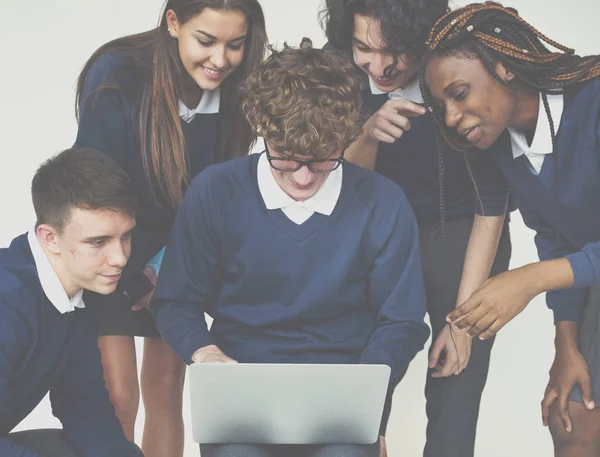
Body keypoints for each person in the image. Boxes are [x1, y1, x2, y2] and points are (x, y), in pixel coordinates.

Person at [150, 39, 430, 457]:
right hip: (240, 393)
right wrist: (204, 353)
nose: (302, 178)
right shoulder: (215, 190)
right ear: (259, 125)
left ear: (349, 134)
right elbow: (175, 301)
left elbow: (402, 320)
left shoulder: (383, 202)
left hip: (344, 396)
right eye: (285, 158)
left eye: (321, 160)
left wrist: (368, 391)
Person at [73, 1, 268, 456]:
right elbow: (94, 190)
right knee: (117, 396)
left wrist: (168, 273)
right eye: (206, 41)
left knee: (166, 391)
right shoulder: (117, 73)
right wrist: (129, 273)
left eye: (235, 45)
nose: (221, 60)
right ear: (173, 22)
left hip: (175, 257)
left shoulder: (237, 91)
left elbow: (217, 202)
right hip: (108, 249)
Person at [320, 1, 512, 456]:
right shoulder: (337, 73)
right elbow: (334, 189)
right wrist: (366, 135)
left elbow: (492, 202)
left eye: (398, 51)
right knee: (360, 394)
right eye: (364, 47)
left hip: (463, 232)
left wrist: (464, 321)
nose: (382, 66)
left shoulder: (453, 71)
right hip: (374, 234)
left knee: (456, 392)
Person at [422, 3, 600, 456]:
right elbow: (557, 239)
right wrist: (567, 343)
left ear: (503, 67)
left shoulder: (593, 102)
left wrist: (527, 281)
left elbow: (551, 266)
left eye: (460, 93)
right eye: (441, 104)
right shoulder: (500, 149)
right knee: (569, 418)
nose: (451, 116)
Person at [0, 148, 142, 457]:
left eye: (126, 236)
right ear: (50, 238)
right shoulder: (8, 303)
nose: (119, 258)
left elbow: (83, 404)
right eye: (98, 242)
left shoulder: (76, 295)